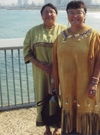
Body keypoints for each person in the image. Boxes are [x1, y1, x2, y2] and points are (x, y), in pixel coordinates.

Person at [51, 1, 100, 135]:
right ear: (67, 15)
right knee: (69, 110)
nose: (75, 16)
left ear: (84, 15)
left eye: (78, 13)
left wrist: (94, 82)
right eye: (71, 13)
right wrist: (54, 83)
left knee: (87, 112)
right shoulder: (61, 37)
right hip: (67, 86)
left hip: (86, 85)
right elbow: (56, 62)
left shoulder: (93, 35)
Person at [23, 3, 67, 135]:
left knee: (60, 98)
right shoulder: (33, 31)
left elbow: (69, 52)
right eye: (46, 12)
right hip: (40, 73)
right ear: (41, 16)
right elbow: (27, 52)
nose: (49, 14)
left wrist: (55, 66)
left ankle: (58, 127)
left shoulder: (65, 31)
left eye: (52, 12)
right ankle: (46, 127)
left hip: (60, 73)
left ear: (56, 14)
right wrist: (40, 64)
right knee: (43, 99)